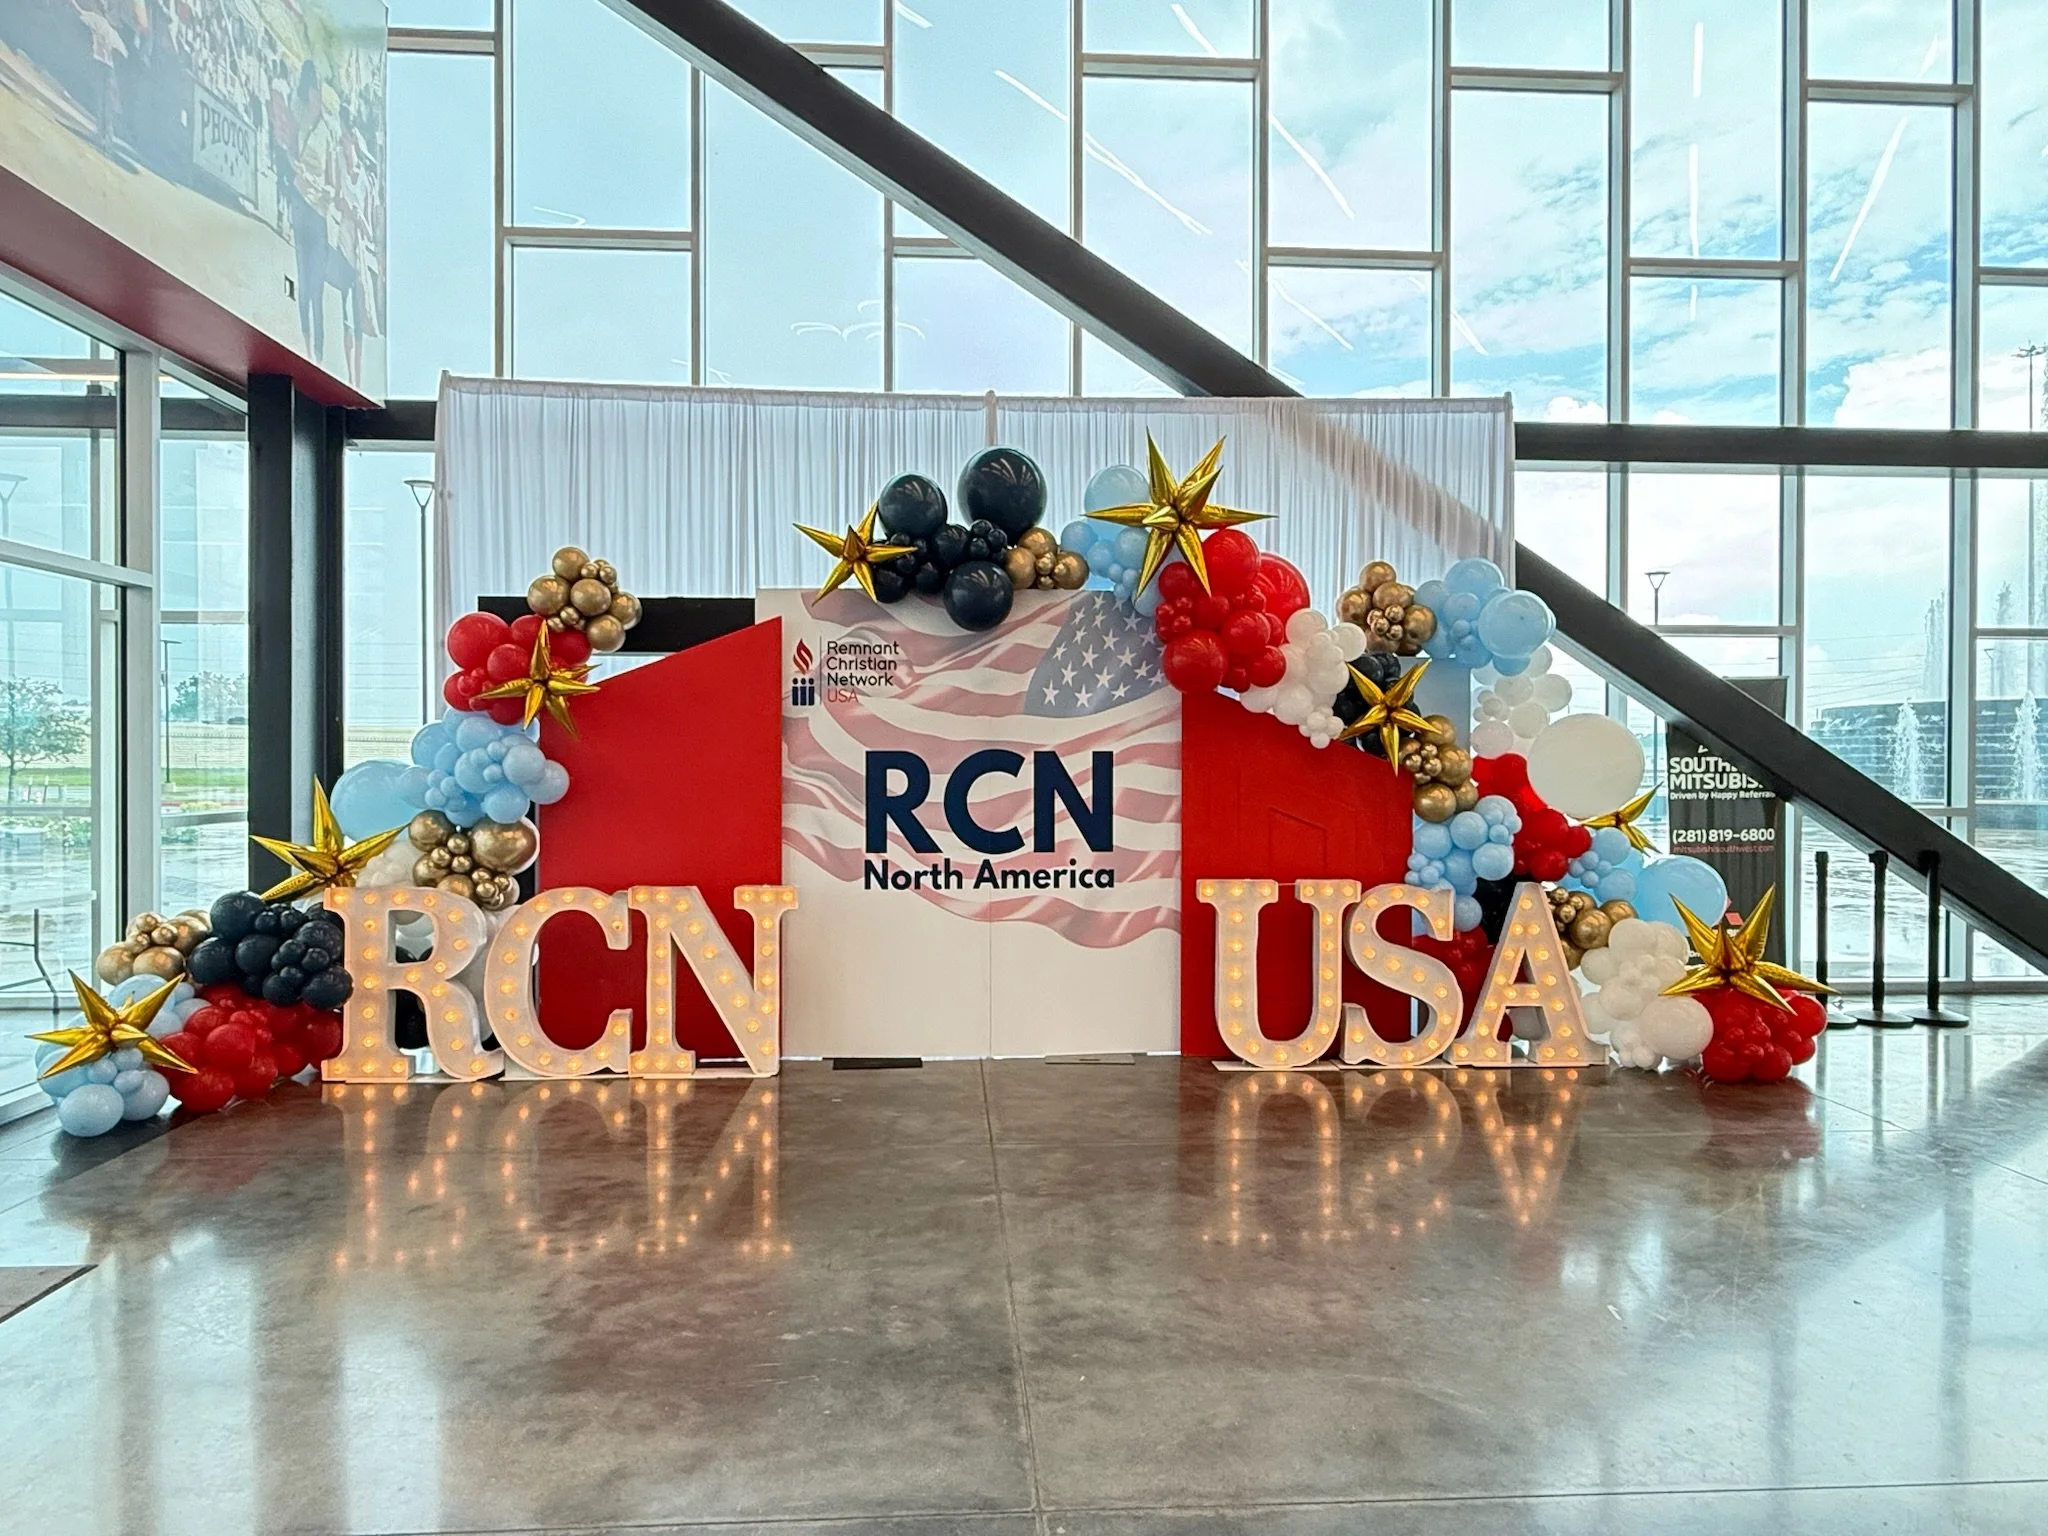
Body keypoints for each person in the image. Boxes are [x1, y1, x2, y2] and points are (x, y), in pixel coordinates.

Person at [276, 59, 334, 362]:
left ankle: (319, 355)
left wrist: (325, 189)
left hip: (319, 212)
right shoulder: (300, 119)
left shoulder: (327, 132)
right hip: (301, 204)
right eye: (317, 91)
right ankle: (306, 347)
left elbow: (332, 181)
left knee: (317, 287)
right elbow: (289, 150)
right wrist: (293, 166)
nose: (319, 97)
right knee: (303, 278)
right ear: (310, 91)